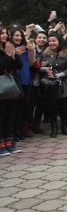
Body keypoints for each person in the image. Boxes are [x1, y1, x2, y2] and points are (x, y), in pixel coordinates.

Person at [39, 33, 67, 137]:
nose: (52, 43)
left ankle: (65, 126)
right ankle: (54, 128)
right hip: (49, 84)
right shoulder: (44, 53)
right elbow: (38, 67)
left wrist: (57, 75)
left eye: (54, 41)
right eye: (50, 41)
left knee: (63, 106)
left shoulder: (66, 53)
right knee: (52, 107)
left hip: (62, 83)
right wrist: (45, 68)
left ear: (59, 41)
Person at [0, 26, 23, 155]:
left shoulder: (8, 47)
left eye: (6, 33)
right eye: (1, 33)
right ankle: (1, 144)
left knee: (10, 116)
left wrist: (15, 55)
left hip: (11, 86)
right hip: (1, 86)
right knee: (1, 116)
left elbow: (19, 66)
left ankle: (9, 142)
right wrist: (8, 56)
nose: (4, 36)